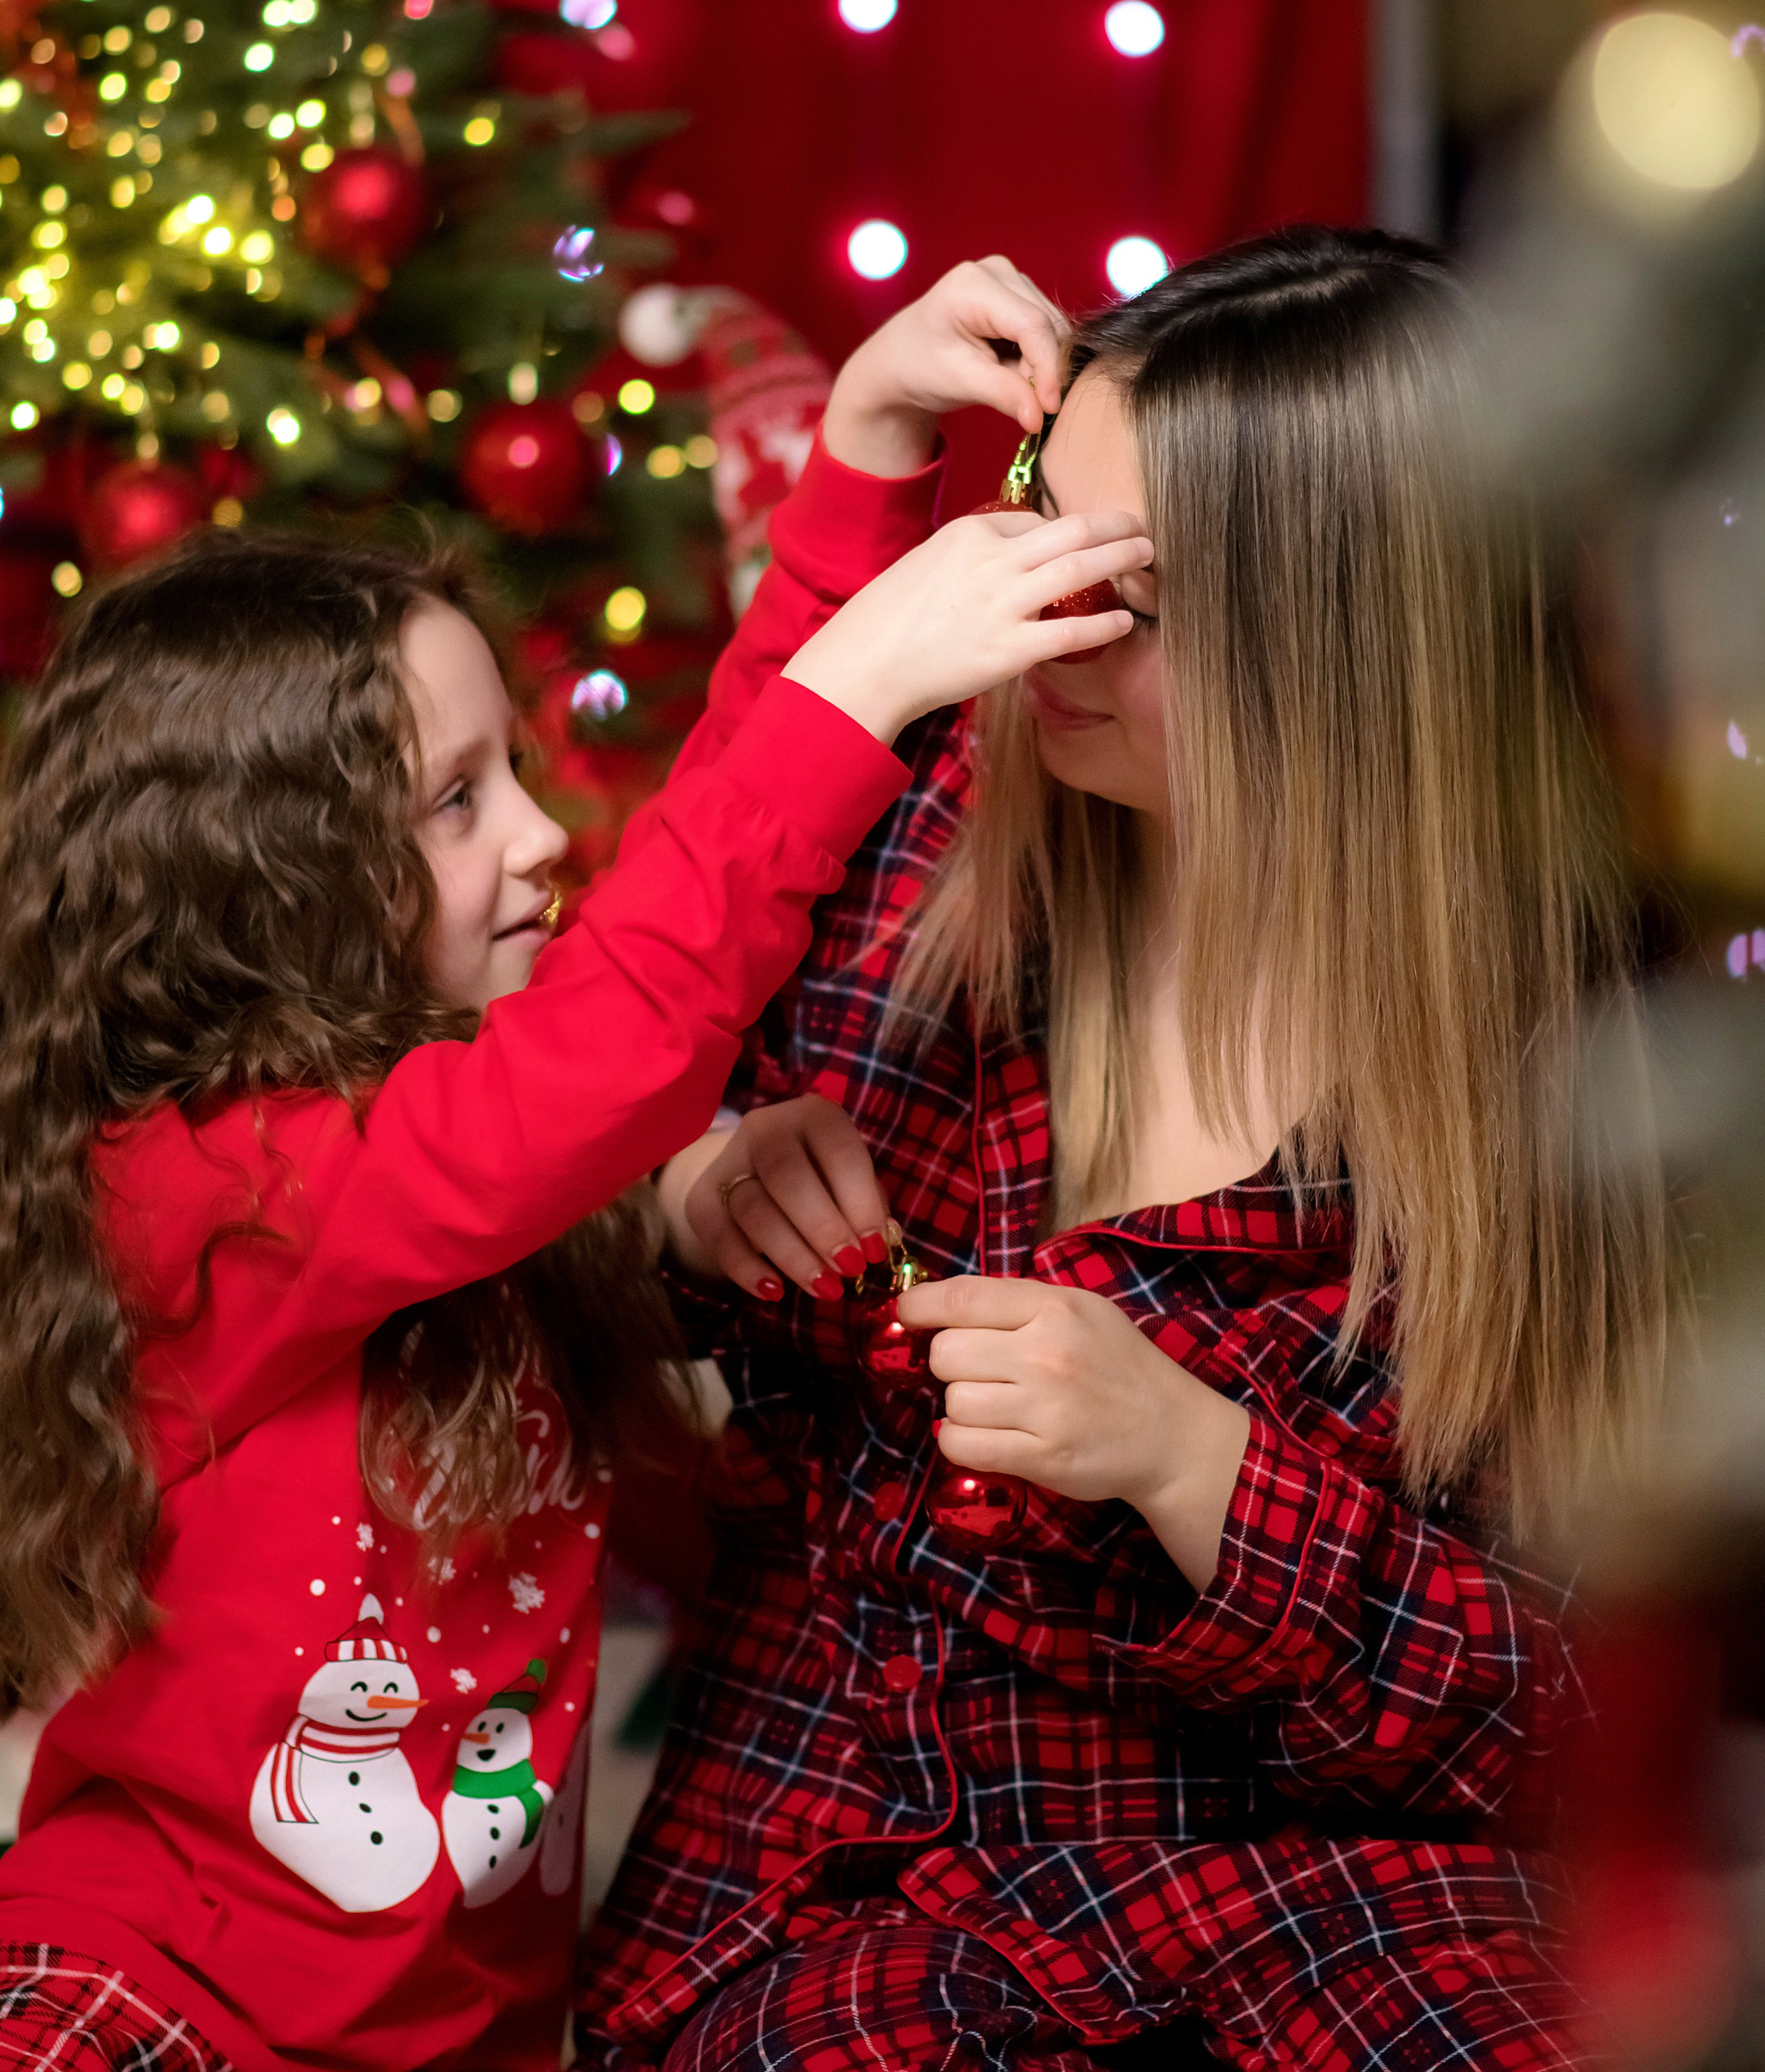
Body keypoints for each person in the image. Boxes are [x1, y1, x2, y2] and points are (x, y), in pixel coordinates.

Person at [574, 230, 1673, 2072]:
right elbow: (549, 1133)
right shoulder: (915, 840)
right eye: (1032, 519)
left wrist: (1198, 1467)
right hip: (846, 1870)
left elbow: (1574, 1719)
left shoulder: (1558, 1071)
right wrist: (691, 1196)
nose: (1043, 615)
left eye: (1135, 595)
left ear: (1343, 649)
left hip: (1323, 1882)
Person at [0, 450, 1149, 2072]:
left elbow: (674, 880)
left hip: (452, 2032)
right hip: (149, 1982)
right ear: (270, 884)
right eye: (456, 801)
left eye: (516, 770)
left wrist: (867, 469)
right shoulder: (203, 1186)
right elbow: (619, 1044)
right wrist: (869, 678)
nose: (546, 836)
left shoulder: (449, 1135)